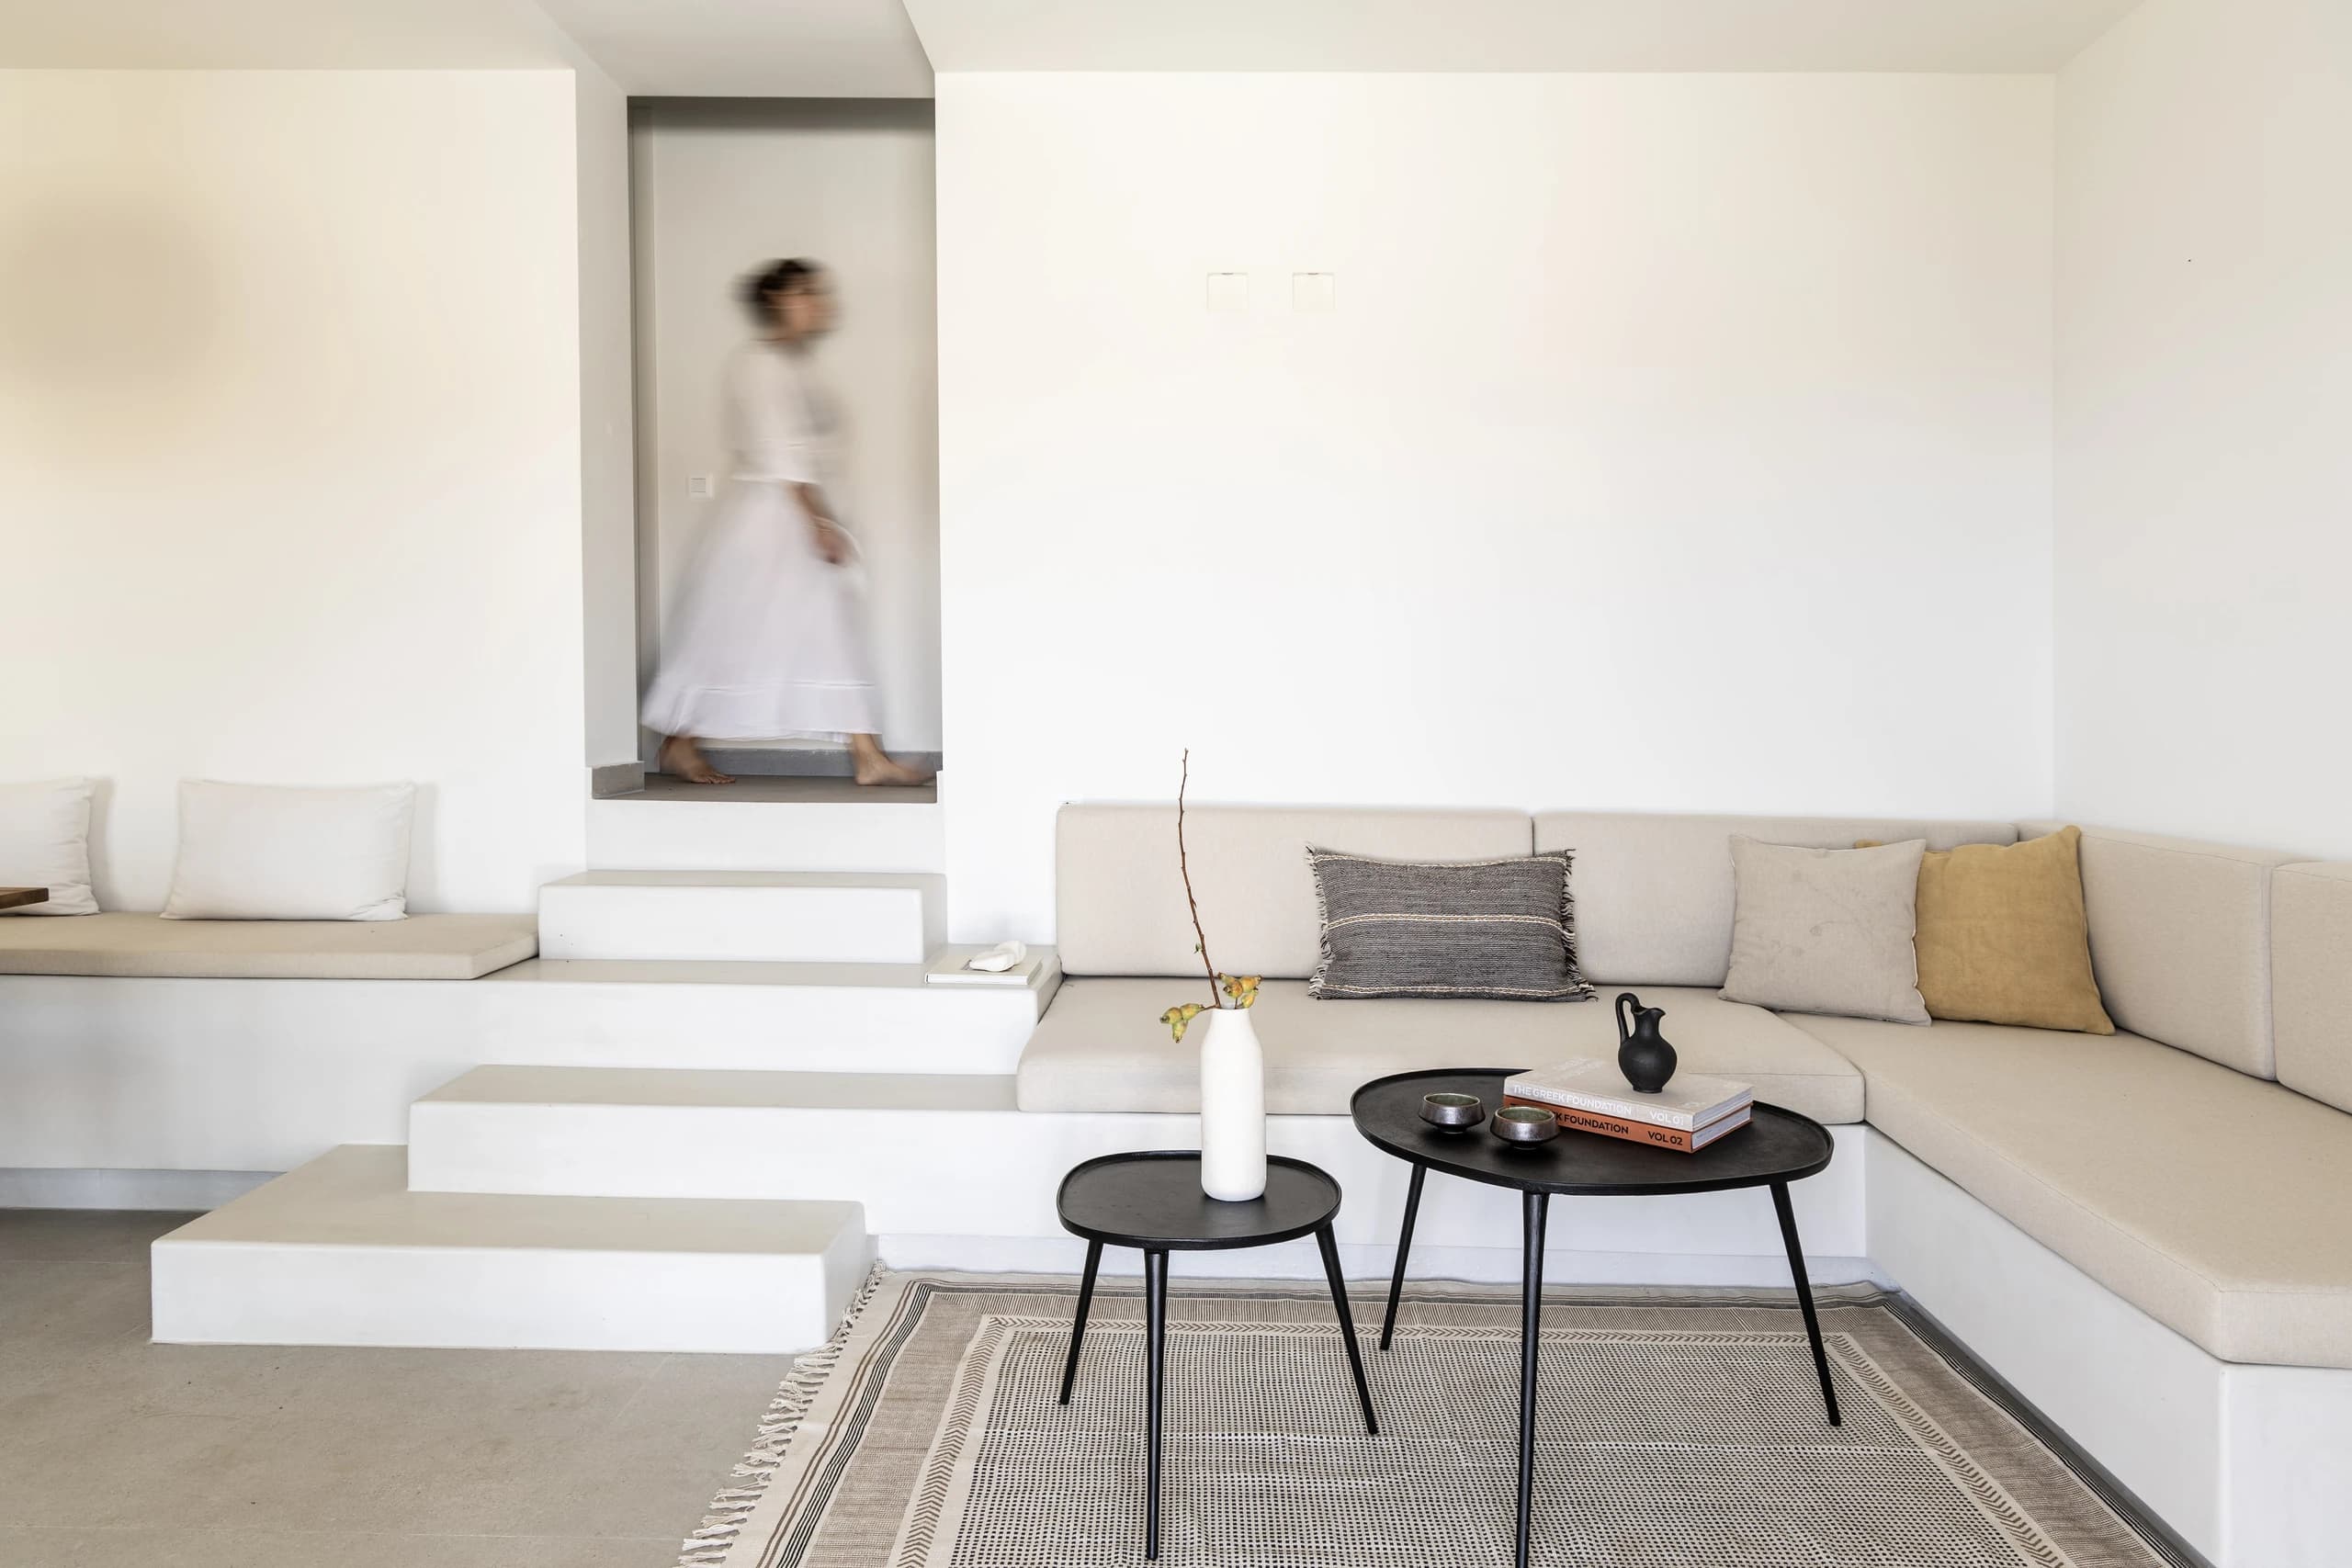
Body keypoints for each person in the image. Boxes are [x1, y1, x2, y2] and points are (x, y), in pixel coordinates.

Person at [640, 259, 933, 787]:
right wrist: (815, 521)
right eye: (806, 293)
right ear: (777, 299)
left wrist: (822, 517)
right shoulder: (760, 364)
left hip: (791, 517)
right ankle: (680, 744)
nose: (818, 303)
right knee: (737, 632)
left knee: (819, 631)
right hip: (772, 523)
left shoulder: (791, 366)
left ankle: (867, 757)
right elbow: (778, 451)